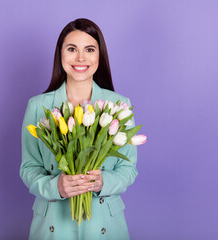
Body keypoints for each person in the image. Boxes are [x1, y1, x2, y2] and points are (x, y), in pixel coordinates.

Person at [20, 18, 138, 240]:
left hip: (104, 224)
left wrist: (104, 182)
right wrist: (56, 186)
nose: (81, 58)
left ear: (99, 56)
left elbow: (128, 169)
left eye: (90, 49)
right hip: (53, 224)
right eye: (72, 49)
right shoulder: (38, 107)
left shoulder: (118, 106)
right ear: (61, 54)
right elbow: (28, 168)